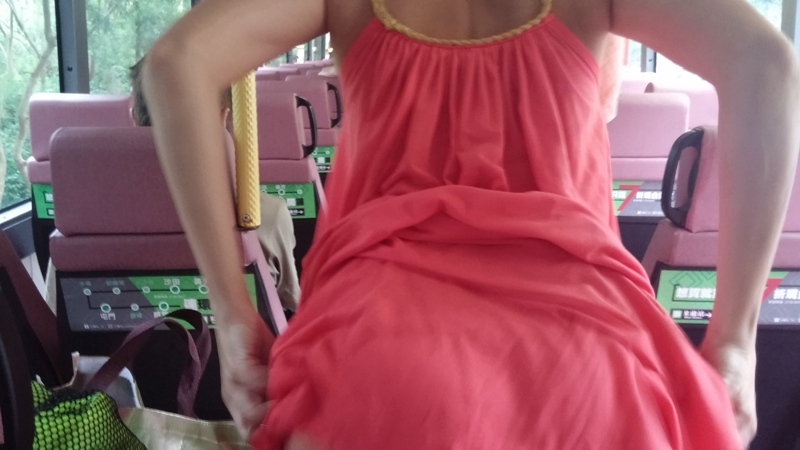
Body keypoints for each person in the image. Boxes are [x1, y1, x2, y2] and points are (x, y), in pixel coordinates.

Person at [142, 0, 800, 448]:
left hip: (373, 351)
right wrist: (733, 340)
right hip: (589, 353)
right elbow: (767, 64)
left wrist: (234, 317)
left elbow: (177, 64)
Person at [130, 58, 301, 312]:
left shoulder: (92, 221)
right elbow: (290, 302)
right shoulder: (265, 214)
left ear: (134, 118)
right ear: (224, 117)